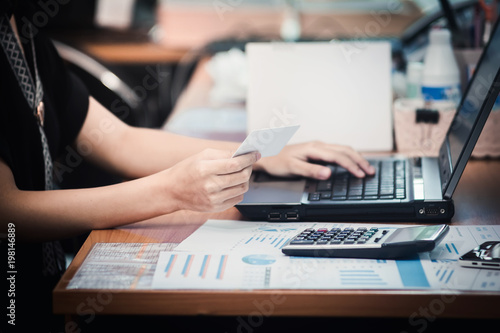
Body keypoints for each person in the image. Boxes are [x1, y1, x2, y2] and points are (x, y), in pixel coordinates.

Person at [0, 1, 374, 332]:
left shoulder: (29, 37)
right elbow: (8, 213)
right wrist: (169, 191)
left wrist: (263, 154)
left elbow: (118, 139)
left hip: (44, 283)